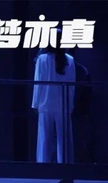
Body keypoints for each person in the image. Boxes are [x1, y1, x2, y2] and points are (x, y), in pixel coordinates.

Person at [32, 35, 76, 163]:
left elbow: (38, 82)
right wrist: (70, 104)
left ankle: (43, 165)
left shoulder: (42, 59)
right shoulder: (70, 60)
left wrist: (35, 103)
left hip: (45, 103)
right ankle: (66, 165)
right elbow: (72, 86)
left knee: (44, 138)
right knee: (64, 139)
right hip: (63, 104)